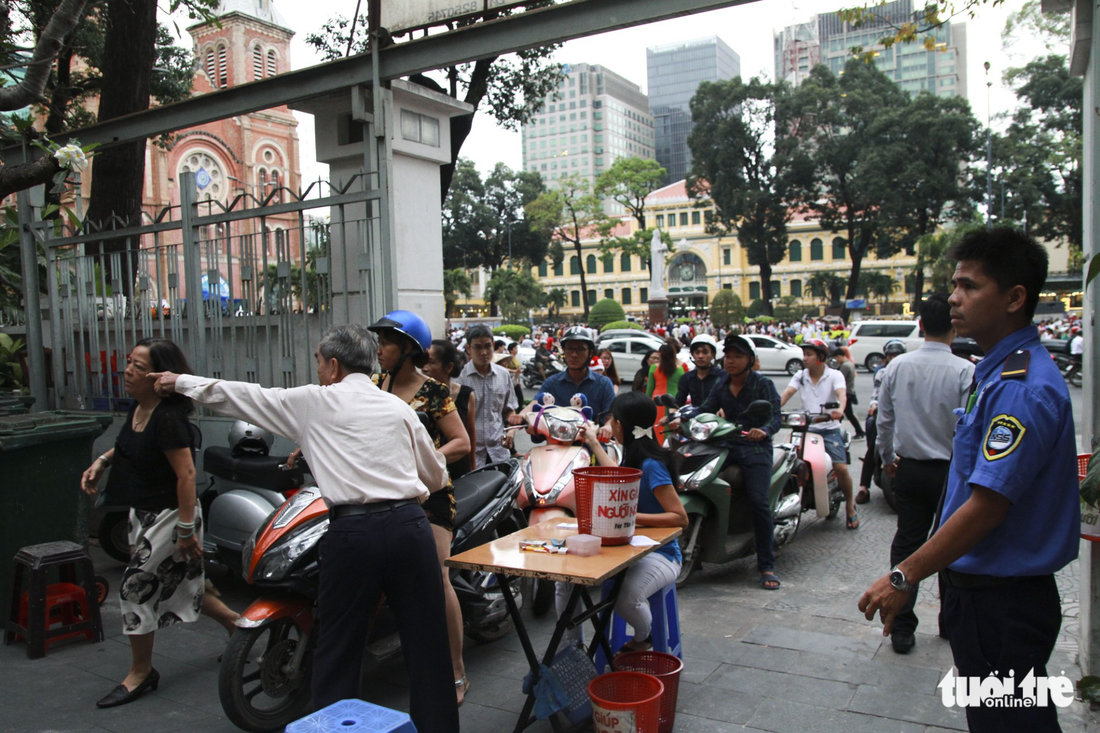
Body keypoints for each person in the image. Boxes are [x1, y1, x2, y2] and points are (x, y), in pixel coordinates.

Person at [150, 324, 458, 732]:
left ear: (332, 364)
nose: (317, 370)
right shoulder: (397, 408)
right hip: (409, 528)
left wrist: (180, 382)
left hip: (353, 535)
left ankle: (337, 726)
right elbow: (436, 476)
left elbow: (239, 395)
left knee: (338, 647)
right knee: (427, 646)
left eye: (318, 361)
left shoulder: (312, 402)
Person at [859, 228, 1079, 733]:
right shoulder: (994, 371)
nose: (954, 298)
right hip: (983, 594)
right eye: (954, 285)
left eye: (970, 286)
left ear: (1015, 298)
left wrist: (903, 576)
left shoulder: (1020, 388)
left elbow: (987, 505)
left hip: (1004, 600)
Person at [80, 338, 238, 708]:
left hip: (171, 517)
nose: (128, 371)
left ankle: (141, 672)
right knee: (187, 582)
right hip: (144, 514)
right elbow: (129, 447)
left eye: (137, 365)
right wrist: (101, 463)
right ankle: (237, 625)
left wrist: (185, 531)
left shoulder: (168, 419)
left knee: (135, 588)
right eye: (128, 363)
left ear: (158, 375)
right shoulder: (140, 411)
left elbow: (185, 475)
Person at [367, 311, 472, 704]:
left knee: (436, 575)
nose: (379, 349)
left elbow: (461, 443)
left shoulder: (435, 393)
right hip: (384, 492)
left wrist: (424, 462)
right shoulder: (374, 385)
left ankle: (457, 670)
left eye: (387, 343)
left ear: (408, 349)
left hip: (430, 495)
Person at [874, 294, 973, 655]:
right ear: (954, 325)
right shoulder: (965, 370)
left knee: (907, 543)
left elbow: (884, 421)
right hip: (951, 471)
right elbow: (969, 428)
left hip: (910, 468)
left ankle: (901, 626)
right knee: (952, 543)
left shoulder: (897, 366)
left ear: (920, 325)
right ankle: (950, 620)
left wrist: (886, 459)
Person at [565, 392, 689, 649]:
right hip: (629, 549)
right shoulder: (634, 455)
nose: (609, 425)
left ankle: (645, 637)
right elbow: (617, 474)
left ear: (620, 426)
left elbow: (680, 518)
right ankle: (571, 647)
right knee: (567, 580)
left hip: (662, 554)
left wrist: (629, 515)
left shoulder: (653, 465)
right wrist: (593, 443)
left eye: (612, 420)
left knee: (625, 598)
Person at [692, 334, 783, 589]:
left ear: (750, 360)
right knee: (697, 482)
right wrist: (682, 417)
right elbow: (705, 408)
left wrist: (764, 430)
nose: (731, 361)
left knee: (759, 501)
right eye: (728, 356)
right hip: (727, 444)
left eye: (738, 356)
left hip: (755, 449)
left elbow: (776, 416)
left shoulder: (763, 384)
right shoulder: (721, 384)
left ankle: (766, 565)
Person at [780, 338, 858, 529]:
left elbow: (842, 394)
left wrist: (839, 410)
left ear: (820, 357)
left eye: (809, 354)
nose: (804, 358)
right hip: (806, 429)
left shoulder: (835, 375)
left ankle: (850, 505)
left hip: (829, 430)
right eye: (804, 354)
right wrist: (773, 409)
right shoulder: (800, 375)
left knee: (841, 468)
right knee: (785, 460)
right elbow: (788, 393)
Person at [511, 327, 615, 437]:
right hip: (556, 445)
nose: (574, 354)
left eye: (580, 349)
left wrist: (607, 427)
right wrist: (521, 415)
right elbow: (536, 402)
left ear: (590, 352)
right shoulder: (552, 382)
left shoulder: (603, 383)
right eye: (569, 349)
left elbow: (611, 417)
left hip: (593, 445)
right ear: (564, 351)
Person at [459, 324, 519, 468]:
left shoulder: (504, 375)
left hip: (499, 453)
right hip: (471, 455)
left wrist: (511, 431)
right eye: (478, 347)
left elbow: (509, 410)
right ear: (468, 349)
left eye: (487, 346)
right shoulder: (459, 378)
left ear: (493, 345)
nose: (484, 352)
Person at [856, 339, 907, 505]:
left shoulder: (909, 371)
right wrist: (874, 405)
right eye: (890, 355)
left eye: (896, 355)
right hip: (887, 415)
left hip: (905, 416)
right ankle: (864, 487)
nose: (893, 358)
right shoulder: (882, 373)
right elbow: (876, 394)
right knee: (872, 436)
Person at [424, 338, 477, 479]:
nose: (424, 368)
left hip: (458, 467)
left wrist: (473, 469)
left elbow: (470, 435)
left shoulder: (466, 395)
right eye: (423, 361)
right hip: (429, 470)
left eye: (431, 362)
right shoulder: (420, 398)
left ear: (449, 367)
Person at [646, 339, 688, 443]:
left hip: (657, 400)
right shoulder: (680, 369)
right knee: (672, 427)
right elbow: (682, 388)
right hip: (674, 400)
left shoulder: (653, 368)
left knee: (657, 427)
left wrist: (646, 403)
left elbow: (649, 388)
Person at [676, 334, 721, 408]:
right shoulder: (687, 378)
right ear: (692, 355)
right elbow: (679, 401)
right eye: (697, 352)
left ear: (713, 354)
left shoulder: (722, 376)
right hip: (694, 417)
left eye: (705, 352)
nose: (700, 356)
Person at [829, 347, 865, 440]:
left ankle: (859, 431)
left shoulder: (845, 366)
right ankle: (858, 431)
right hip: (850, 391)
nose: (836, 361)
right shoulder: (850, 363)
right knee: (848, 414)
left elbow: (840, 379)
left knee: (846, 413)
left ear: (840, 356)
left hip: (846, 393)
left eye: (836, 358)